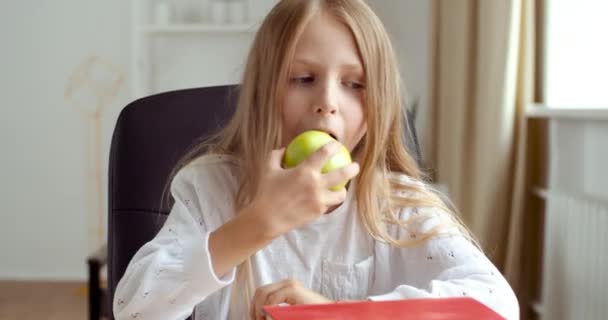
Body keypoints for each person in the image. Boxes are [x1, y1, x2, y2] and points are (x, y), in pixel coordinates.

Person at [113, 0, 519, 319]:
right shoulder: (209, 187)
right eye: (303, 79)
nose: (327, 102)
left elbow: (496, 302)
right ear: (262, 94)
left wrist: (336, 314)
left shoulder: (397, 205)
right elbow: (134, 307)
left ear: (377, 106)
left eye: (354, 85)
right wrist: (259, 223)